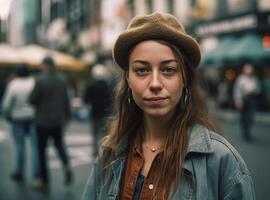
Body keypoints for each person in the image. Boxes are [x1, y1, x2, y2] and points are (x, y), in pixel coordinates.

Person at [81, 12, 255, 200]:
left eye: (168, 70)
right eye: (142, 70)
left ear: (185, 79)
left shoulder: (222, 161)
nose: (155, 83)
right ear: (128, 80)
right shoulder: (110, 152)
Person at [29, 56, 73, 190]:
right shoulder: (62, 80)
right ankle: (66, 165)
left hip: (42, 121)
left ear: (45, 65)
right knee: (59, 145)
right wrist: (67, 117)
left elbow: (32, 99)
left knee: (42, 151)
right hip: (58, 120)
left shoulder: (40, 80)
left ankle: (44, 181)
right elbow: (66, 100)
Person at [1, 64, 40, 183]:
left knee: (20, 146)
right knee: (35, 147)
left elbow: (6, 104)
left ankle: (20, 172)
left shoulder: (13, 85)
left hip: (17, 118)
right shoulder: (34, 83)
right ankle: (37, 173)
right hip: (33, 118)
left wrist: (7, 115)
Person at [84, 64, 113, 156]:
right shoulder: (107, 85)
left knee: (95, 133)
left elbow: (85, 99)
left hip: (94, 113)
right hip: (105, 112)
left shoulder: (90, 84)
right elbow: (111, 99)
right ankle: (105, 150)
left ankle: (95, 151)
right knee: (105, 134)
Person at [233, 64, 259, 141]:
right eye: (247, 69)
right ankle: (244, 131)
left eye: (250, 69)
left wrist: (255, 90)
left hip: (251, 98)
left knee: (250, 116)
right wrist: (238, 100)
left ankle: (248, 131)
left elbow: (258, 90)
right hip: (243, 98)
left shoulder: (254, 79)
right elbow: (237, 90)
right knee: (243, 116)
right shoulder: (241, 79)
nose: (249, 71)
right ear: (244, 70)